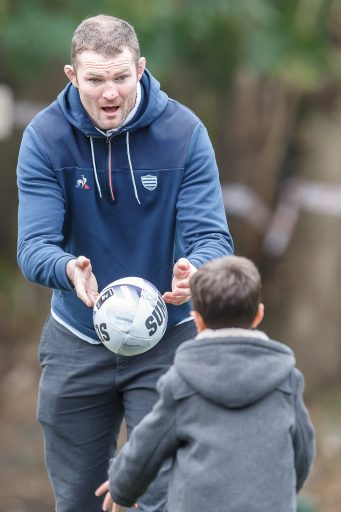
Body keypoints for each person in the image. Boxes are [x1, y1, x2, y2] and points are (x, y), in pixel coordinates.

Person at [16, 14, 233, 512]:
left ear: (140, 68)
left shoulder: (184, 132)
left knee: (160, 497)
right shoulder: (45, 138)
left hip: (168, 337)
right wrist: (69, 269)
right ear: (72, 76)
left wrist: (195, 268)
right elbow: (34, 246)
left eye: (120, 77)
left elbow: (212, 236)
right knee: (76, 500)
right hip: (77, 337)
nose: (109, 93)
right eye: (95, 80)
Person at [96, 255, 315, 512]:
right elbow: (302, 450)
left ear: (197, 321)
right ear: (258, 315)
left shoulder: (182, 381)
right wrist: (284, 492)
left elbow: (148, 446)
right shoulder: (286, 380)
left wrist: (122, 487)